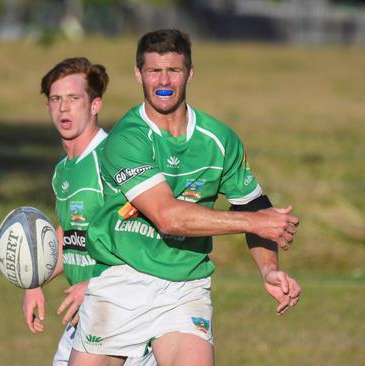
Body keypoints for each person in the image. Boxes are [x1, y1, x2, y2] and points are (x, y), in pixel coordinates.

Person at [69, 29, 301, 366]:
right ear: (139, 74)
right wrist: (255, 221)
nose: (163, 81)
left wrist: (269, 270)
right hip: (122, 280)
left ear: (190, 73)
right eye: (153, 71)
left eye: (174, 71)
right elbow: (168, 217)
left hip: (185, 286)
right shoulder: (127, 138)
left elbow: (253, 206)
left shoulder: (218, 139)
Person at [21, 57, 155, 366]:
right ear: (47, 108)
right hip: (83, 321)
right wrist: (34, 282)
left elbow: (146, 241)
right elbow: (71, 237)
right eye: (56, 99)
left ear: (95, 105)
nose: (64, 108)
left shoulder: (112, 160)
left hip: (127, 320)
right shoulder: (63, 170)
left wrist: (96, 286)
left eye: (73, 98)